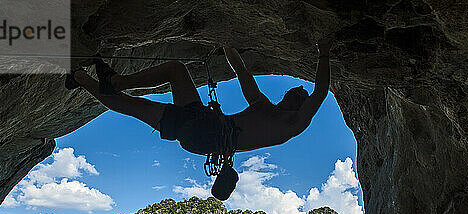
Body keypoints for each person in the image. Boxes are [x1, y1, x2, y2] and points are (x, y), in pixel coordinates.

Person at [65, 41, 331, 199]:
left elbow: (320, 91)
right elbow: (241, 71)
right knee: (136, 104)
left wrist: (324, 53)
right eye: (299, 88)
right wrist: (225, 44)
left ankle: (117, 81)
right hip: (201, 133)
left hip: (206, 131)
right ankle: (79, 77)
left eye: (301, 92)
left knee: (173, 73)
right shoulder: (262, 105)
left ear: (299, 102)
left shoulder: (292, 125)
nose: (300, 88)